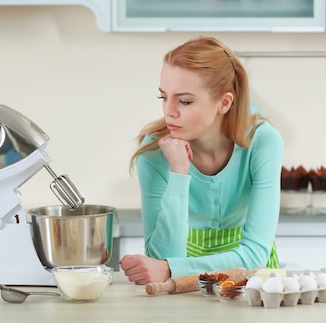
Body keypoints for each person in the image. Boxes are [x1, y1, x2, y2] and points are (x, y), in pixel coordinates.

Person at [119, 36, 283, 285]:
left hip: (252, 285)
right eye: (163, 97)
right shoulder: (154, 151)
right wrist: (179, 174)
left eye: (184, 101)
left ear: (224, 103)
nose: (168, 111)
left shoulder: (263, 142)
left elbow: (254, 255)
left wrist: (172, 269)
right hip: (180, 288)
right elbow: (163, 258)